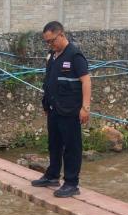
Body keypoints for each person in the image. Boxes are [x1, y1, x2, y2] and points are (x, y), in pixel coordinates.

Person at [31, 21, 92, 197]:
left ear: (61, 35)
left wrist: (85, 108)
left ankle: (71, 183)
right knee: (54, 144)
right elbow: (49, 81)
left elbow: (86, 81)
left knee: (72, 147)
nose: (50, 45)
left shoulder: (74, 55)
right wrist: (45, 104)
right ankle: (52, 176)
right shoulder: (52, 56)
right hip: (54, 109)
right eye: (47, 42)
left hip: (70, 110)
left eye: (52, 41)